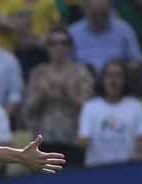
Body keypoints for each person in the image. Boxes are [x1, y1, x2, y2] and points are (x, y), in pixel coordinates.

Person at [23, 27, 94, 166]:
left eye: (63, 43)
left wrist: (69, 94)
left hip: (73, 141)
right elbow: (27, 112)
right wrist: (41, 96)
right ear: (47, 47)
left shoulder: (81, 72)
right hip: (44, 142)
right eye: (53, 43)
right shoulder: (38, 73)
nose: (59, 47)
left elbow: (90, 110)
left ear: (70, 47)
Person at [77, 59, 142, 166]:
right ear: (102, 80)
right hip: (96, 170)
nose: (113, 80)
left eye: (118, 76)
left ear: (125, 80)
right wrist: (81, 143)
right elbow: (83, 140)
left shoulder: (136, 106)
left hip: (128, 169)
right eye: (109, 75)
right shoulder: (90, 107)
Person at [68, 0, 142, 74]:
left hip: (116, 79)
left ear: (110, 9)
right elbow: (65, 63)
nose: (99, 17)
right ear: (85, 10)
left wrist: (120, 69)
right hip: (82, 79)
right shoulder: (73, 33)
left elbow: (138, 62)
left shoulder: (124, 30)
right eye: (94, 13)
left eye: (103, 13)